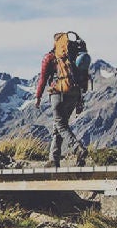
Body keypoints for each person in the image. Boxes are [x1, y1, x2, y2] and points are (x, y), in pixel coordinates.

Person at [34, 33, 89, 167]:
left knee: (61, 125)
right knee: (59, 125)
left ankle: (78, 149)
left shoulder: (50, 57)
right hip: (75, 94)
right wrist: (80, 100)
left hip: (58, 93)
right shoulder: (73, 57)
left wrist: (38, 96)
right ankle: (54, 160)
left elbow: (42, 79)